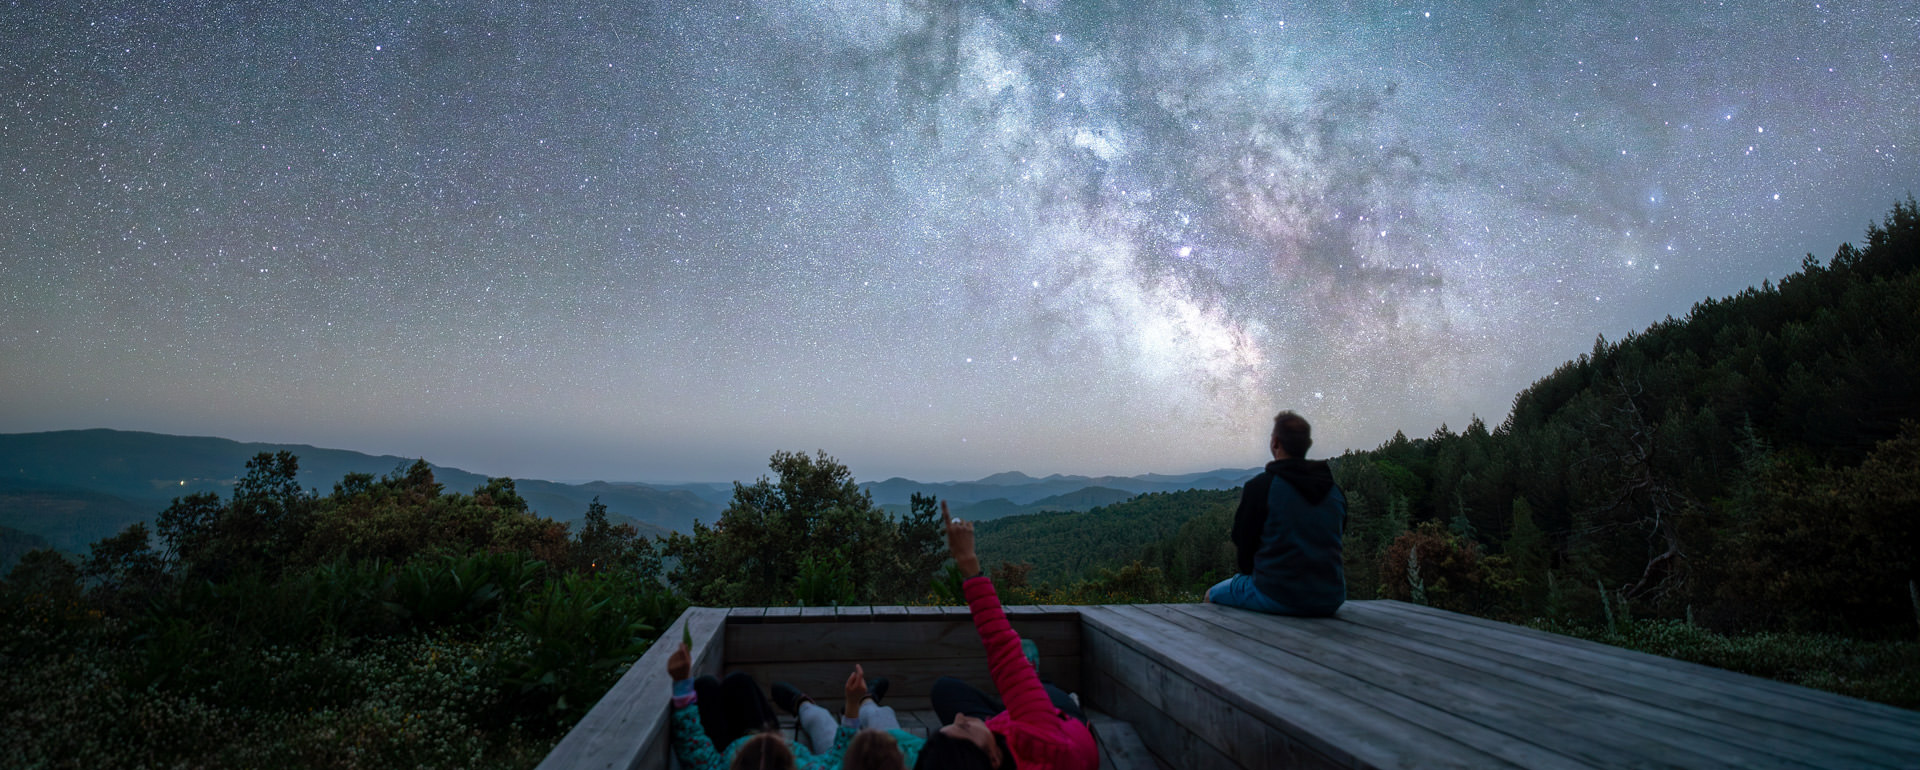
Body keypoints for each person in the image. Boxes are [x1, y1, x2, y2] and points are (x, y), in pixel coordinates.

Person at [916, 502, 1099, 770]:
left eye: (954, 725)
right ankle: (1035, 680)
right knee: (1043, 690)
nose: (959, 717)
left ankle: (1020, 693)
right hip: (1060, 724)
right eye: (964, 728)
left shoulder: (987, 756)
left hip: (1005, 727)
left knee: (944, 690)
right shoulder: (1043, 739)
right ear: (993, 758)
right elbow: (1001, 646)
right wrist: (968, 563)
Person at [1205, 409, 1347, 617]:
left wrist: (1253, 573)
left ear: (1275, 443)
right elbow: (1336, 534)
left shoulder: (1262, 487)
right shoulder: (1335, 491)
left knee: (1211, 595)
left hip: (1277, 594)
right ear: (1307, 445)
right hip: (1330, 598)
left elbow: (1243, 541)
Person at [666, 640, 855, 770]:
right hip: (741, 751)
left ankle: (799, 703)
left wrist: (682, 681)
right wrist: (853, 705)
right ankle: (799, 703)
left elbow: (692, 744)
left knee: (708, 686)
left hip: (725, 749)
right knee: (737, 682)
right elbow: (840, 759)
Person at [775, 666, 924, 766]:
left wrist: (851, 705)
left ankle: (802, 705)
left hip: (839, 761)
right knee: (882, 716)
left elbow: (837, 756)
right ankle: (866, 701)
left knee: (820, 721)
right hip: (896, 759)